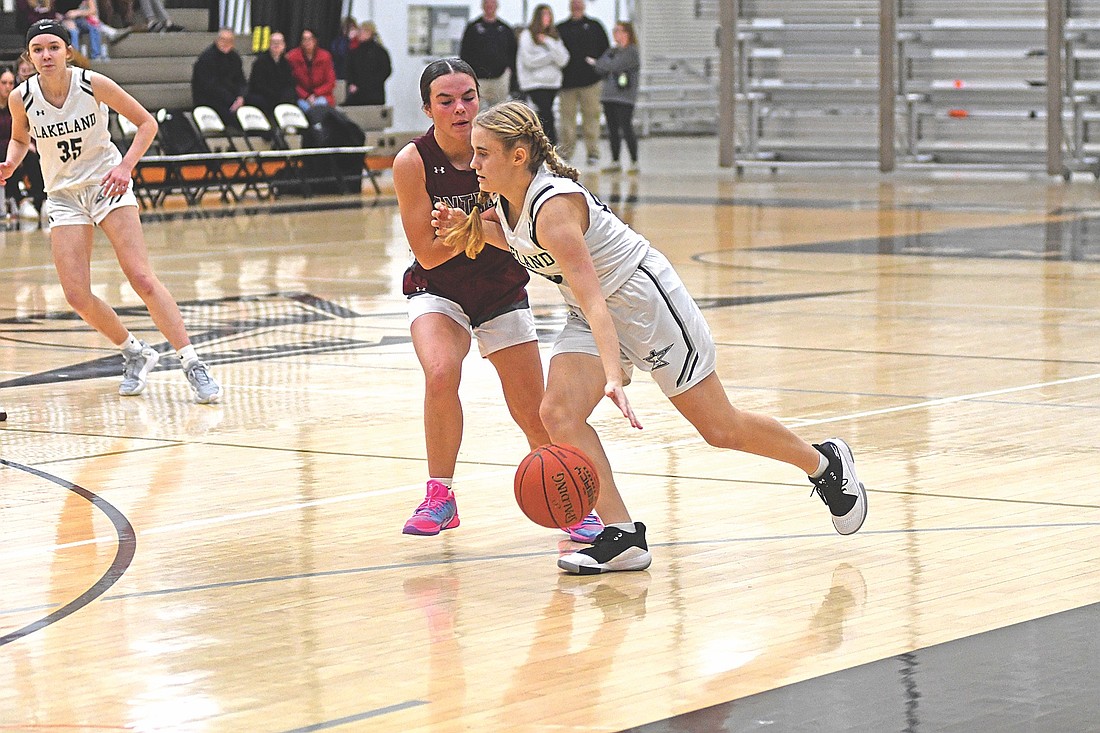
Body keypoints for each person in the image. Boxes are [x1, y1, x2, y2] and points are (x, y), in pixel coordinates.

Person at [434, 101, 868, 574]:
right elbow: (529, 246)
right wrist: (472, 232)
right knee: (557, 413)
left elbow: (596, 299)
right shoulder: (503, 201)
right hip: (591, 309)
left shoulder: (554, 208)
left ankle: (824, 463)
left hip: (644, 302)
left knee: (720, 428)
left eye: (482, 153)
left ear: (518, 156)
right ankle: (622, 536)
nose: (472, 163)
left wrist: (612, 376)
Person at [392, 59, 601, 542]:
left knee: (532, 410)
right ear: (427, 109)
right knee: (440, 371)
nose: (460, 108)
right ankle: (440, 495)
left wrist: (463, 229)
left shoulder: (504, 152)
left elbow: (521, 236)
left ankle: (571, 503)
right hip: (438, 288)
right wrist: (479, 228)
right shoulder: (412, 162)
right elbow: (428, 252)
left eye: (468, 97)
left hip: (500, 287)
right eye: (446, 101)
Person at [0, 20, 223, 404]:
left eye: (53, 47)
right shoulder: (21, 98)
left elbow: (146, 123)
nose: (46, 55)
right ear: (29, 56)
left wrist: (125, 167)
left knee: (142, 277)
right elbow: (21, 139)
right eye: (38, 49)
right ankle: (134, 351)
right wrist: (10, 162)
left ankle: (192, 362)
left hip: (108, 186)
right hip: (64, 196)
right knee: (76, 295)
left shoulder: (92, 84)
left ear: (67, 51)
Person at [556, 0, 609, 166]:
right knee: (567, 120)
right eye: (574, 3)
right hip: (567, 84)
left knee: (591, 118)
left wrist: (599, 68)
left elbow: (605, 50)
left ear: (584, 5)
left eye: (579, 3)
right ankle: (566, 152)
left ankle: (593, 152)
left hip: (591, 82)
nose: (577, 6)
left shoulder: (595, 26)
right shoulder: (561, 28)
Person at [589, 21, 640, 173]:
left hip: (625, 98)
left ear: (627, 33)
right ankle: (615, 161)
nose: (615, 33)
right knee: (612, 129)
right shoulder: (612, 51)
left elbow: (612, 65)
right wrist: (602, 64)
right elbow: (600, 67)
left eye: (618, 30)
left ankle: (634, 161)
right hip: (608, 96)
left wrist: (602, 64)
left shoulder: (632, 52)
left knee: (626, 127)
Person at [0, 67, 47, 224]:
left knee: (32, 156)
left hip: (16, 147)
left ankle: (41, 200)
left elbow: (27, 128)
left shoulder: (17, 104)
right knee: (8, 162)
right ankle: (19, 200)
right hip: (4, 150)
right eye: (4, 83)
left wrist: (28, 144)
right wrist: (15, 151)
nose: (8, 87)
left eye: (11, 83)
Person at [515, 4, 568, 145]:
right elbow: (529, 60)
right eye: (544, 15)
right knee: (545, 115)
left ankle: (548, 145)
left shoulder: (554, 37)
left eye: (549, 15)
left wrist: (548, 42)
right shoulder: (527, 36)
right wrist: (550, 57)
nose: (547, 18)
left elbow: (563, 59)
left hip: (552, 84)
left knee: (546, 115)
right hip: (534, 83)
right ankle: (549, 144)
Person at [459, 0, 517, 109]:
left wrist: (513, 78)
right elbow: (465, 53)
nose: (490, 6)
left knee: (499, 112)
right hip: (478, 79)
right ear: (482, 6)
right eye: (487, 3)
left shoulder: (505, 28)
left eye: (492, 3)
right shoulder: (473, 28)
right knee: (476, 111)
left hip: (500, 78)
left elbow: (512, 54)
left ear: (497, 6)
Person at [191, 28, 247, 127]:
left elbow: (241, 81)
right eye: (223, 40)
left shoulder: (235, 58)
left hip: (232, 97)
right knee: (236, 117)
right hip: (209, 99)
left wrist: (241, 97)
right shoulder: (206, 58)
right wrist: (232, 100)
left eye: (229, 40)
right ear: (217, 40)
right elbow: (210, 87)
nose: (226, 43)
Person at [245, 31, 296, 118]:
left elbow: (289, 83)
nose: (276, 45)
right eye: (273, 42)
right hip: (264, 95)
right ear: (269, 44)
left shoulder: (286, 63)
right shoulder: (260, 62)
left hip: (280, 96)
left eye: (279, 42)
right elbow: (257, 85)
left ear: (284, 45)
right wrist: (275, 95)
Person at [286, 29, 336, 111]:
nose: (307, 42)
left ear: (315, 40)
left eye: (310, 39)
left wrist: (316, 94)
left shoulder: (325, 56)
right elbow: (292, 83)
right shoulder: (292, 57)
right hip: (301, 96)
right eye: (304, 39)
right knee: (304, 106)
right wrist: (306, 96)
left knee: (319, 105)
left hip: (322, 95)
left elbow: (330, 82)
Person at [344, 21, 391, 106]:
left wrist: (374, 83)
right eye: (359, 31)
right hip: (356, 93)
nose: (360, 33)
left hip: (375, 94)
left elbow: (386, 70)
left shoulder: (380, 51)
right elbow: (349, 69)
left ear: (370, 33)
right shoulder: (354, 51)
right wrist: (351, 83)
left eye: (363, 31)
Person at [329, 16, 358, 81]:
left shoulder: (359, 41)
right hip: (340, 75)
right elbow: (340, 53)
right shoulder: (339, 42)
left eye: (352, 28)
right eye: (347, 28)